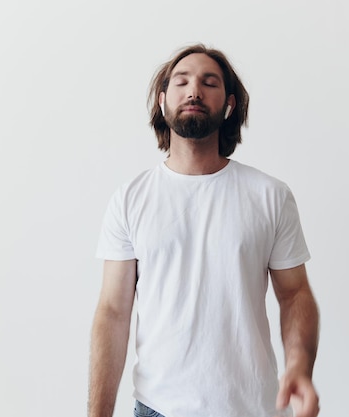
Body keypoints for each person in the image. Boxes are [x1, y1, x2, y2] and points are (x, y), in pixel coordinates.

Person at [88, 44, 320, 417]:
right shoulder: (130, 199)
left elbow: (294, 295)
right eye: (182, 82)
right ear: (163, 102)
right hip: (158, 408)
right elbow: (113, 313)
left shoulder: (269, 196)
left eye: (208, 82)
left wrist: (300, 367)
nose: (194, 90)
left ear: (229, 105)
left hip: (253, 409)